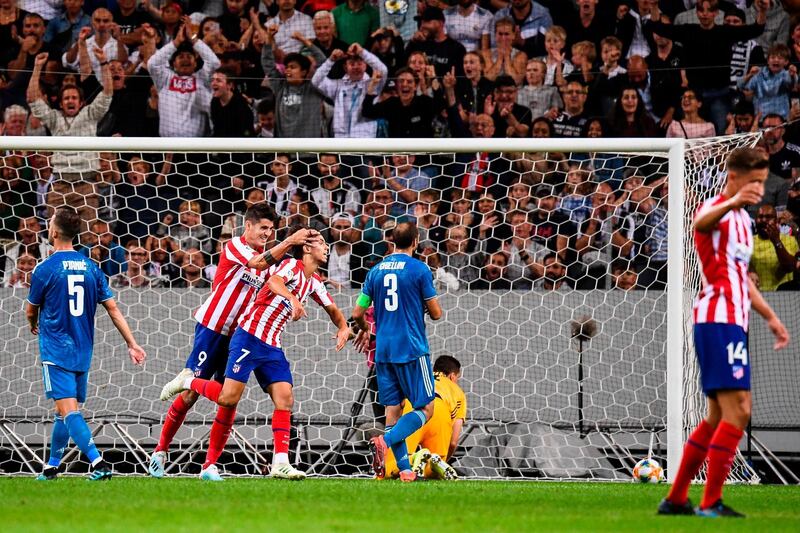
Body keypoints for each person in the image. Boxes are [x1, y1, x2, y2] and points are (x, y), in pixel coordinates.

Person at [159, 226, 353, 481]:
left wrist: (342, 327)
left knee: (285, 398)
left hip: (272, 345)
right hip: (249, 336)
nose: (326, 248)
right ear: (307, 248)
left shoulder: (314, 282)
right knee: (228, 399)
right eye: (321, 243)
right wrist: (292, 299)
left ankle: (280, 463)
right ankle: (186, 381)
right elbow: (274, 281)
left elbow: (333, 309)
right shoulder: (290, 266)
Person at [657, 147, 789, 517]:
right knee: (740, 410)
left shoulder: (743, 223)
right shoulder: (716, 209)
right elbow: (700, 224)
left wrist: (770, 317)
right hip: (716, 320)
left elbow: (742, 280)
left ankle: (677, 499)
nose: (760, 190)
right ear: (734, 177)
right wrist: (732, 200)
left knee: (718, 415)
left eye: (763, 183)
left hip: (733, 320)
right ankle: (711, 501)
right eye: (755, 182)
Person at [25, 207, 147, 481]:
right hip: (83, 350)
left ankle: (98, 462)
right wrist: (132, 343)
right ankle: (51, 466)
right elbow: (113, 309)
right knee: (64, 412)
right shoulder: (92, 267)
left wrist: (32, 324)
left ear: (53, 232)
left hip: (56, 348)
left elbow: (31, 309)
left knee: (69, 412)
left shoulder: (45, 269)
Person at [351, 221, 443, 482]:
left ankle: (403, 470)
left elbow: (358, 312)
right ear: (416, 241)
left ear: (392, 241)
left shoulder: (376, 271)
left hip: (383, 350)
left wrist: (366, 330)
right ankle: (385, 440)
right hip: (412, 348)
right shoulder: (419, 269)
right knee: (426, 409)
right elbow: (436, 313)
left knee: (393, 410)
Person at [28, 50, 112, 230]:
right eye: (66, 98)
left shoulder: (90, 114)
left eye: (74, 97)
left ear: (81, 102)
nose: (70, 101)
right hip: (59, 186)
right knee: (56, 236)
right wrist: (37, 68)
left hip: (86, 186)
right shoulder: (54, 118)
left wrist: (104, 64)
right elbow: (32, 99)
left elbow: (107, 93)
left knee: (89, 239)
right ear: (60, 103)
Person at [382, 355, 464, 480]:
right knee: (435, 472)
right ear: (453, 376)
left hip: (415, 409)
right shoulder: (458, 392)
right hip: (442, 413)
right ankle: (433, 463)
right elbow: (453, 442)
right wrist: (445, 459)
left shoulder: (423, 378)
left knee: (389, 467)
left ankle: (414, 458)